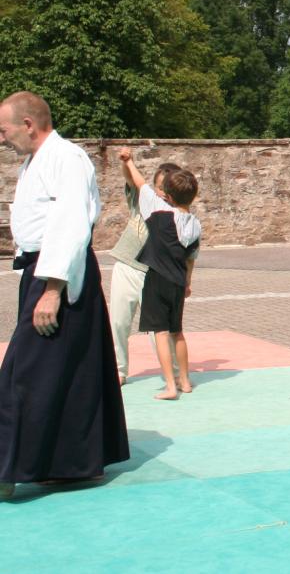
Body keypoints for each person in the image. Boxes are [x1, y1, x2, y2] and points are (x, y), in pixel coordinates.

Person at [0, 92, 129, 498]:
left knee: (25, 373)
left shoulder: (67, 158)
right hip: (43, 271)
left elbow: (71, 223)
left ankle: (7, 468)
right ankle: (69, 463)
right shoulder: (35, 161)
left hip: (59, 274)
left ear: (28, 124)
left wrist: (53, 289)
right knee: (68, 370)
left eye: (4, 130)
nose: (1, 138)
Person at [121, 151, 201, 400]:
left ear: (166, 195)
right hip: (178, 281)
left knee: (161, 333)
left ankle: (169, 386)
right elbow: (190, 257)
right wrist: (188, 281)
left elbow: (140, 184)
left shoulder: (159, 212)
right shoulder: (195, 223)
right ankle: (185, 381)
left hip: (157, 279)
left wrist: (128, 161)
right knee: (178, 331)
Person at [108, 155, 181, 384]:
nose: (160, 192)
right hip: (126, 266)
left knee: (158, 330)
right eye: (157, 187)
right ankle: (119, 370)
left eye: (165, 188)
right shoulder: (142, 200)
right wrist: (126, 161)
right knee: (118, 323)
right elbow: (131, 179)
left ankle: (174, 373)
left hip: (154, 275)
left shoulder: (178, 215)